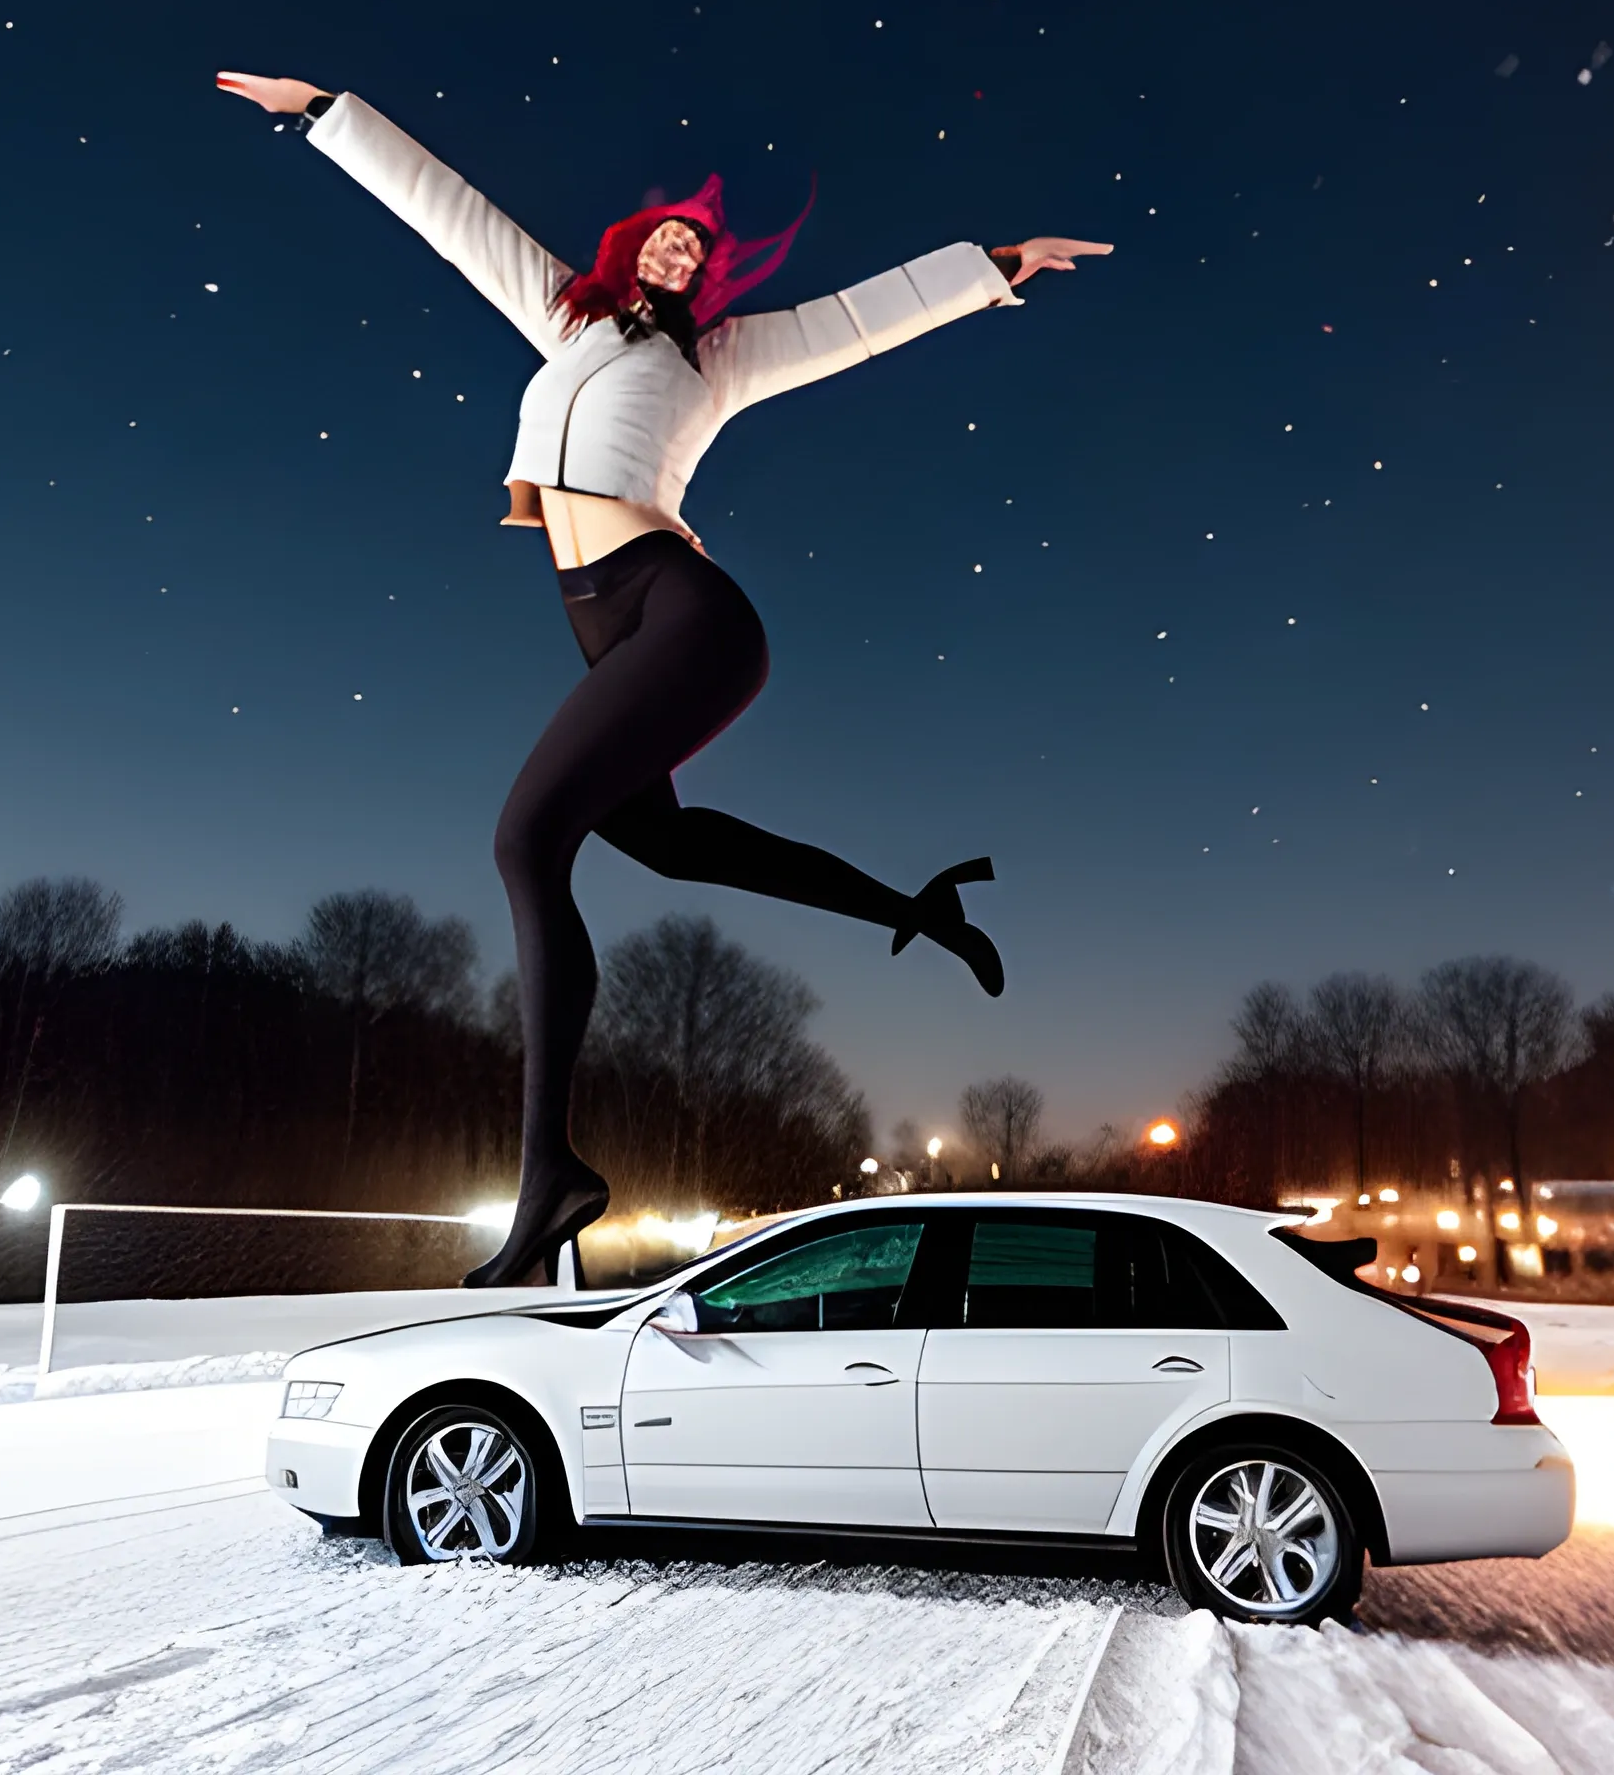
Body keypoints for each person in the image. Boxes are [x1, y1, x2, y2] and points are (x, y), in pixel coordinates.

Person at [218, 71, 1111, 1286]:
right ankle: (917, 908)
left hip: (684, 614)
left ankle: (549, 1182)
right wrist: (325, 112)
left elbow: (859, 317)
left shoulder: (723, 357)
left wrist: (991, 265)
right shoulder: (567, 317)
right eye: (670, 238)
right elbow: (447, 209)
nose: (687, 256)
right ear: (632, 247)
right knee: (667, 844)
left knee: (527, 840)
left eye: (701, 250)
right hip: (602, 626)